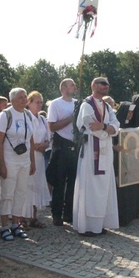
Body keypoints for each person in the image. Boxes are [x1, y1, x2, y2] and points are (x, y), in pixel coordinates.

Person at [72, 78, 120, 235]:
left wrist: (105, 127)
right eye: (102, 83)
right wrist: (107, 131)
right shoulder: (86, 105)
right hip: (91, 148)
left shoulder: (107, 107)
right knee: (90, 186)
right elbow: (91, 127)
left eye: (107, 84)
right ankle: (87, 226)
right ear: (93, 85)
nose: (106, 86)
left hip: (105, 151)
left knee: (104, 185)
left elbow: (116, 126)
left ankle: (100, 224)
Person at [0, 88, 35, 241]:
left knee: (21, 192)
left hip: (24, 161)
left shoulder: (28, 114)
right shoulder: (6, 115)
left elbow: (30, 139)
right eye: (20, 97)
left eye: (25, 97)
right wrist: (2, 164)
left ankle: (15, 225)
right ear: (12, 100)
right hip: (9, 160)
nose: (24, 100)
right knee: (7, 193)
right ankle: (4, 226)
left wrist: (31, 160)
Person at [113, 93, 139, 225]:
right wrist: (114, 147)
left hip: (129, 162)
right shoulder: (116, 126)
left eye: (131, 113)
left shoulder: (131, 125)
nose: (130, 115)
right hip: (118, 163)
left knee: (130, 188)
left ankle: (130, 213)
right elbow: (112, 142)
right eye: (128, 113)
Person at [47, 78, 78, 226]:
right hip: (61, 146)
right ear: (64, 88)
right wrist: (70, 118)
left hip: (75, 146)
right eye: (72, 85)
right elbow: (52, 127)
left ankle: (69, 213)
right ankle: (56, 214)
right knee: (59, 183)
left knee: (73, 183)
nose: (75, 87)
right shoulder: (55, 104)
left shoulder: (78, 103)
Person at [26, 91, 51, 228]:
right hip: (28, 157)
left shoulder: (42, 119)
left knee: (37, 186)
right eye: (37, 102)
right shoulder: (26, 117)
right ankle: (22, 218)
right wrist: (34, 146)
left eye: (41, 102)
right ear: (29, 103)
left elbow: (48, 138)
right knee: (27, 186)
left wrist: (44, 145)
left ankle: (33, 217)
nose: (39, 105)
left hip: (40, 156)